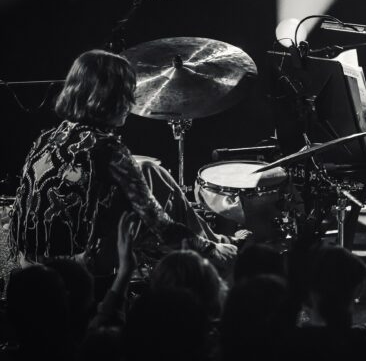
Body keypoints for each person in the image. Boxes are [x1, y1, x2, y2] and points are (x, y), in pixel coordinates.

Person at [7, 49, 237, 283]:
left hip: (27, 266)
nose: (132, 101)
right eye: (128, 92)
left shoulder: (45, 138)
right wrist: (209, 249)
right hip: (73, 272)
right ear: (110, 97)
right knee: (150, 210)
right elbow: (160, 225)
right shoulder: (108, 150)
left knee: (147, 170)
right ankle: (220, 255)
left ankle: (216, 241)